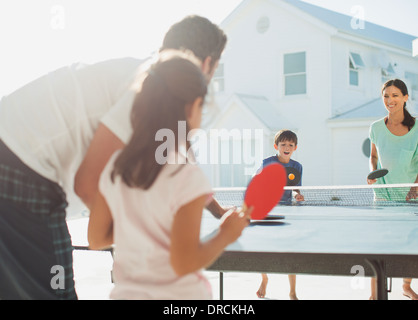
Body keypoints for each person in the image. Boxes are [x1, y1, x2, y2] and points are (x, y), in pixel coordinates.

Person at [0, 15, 228, 300]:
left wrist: (218, 211)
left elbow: (180, 165)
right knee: (56, 292)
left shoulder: (154, 85)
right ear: (206, 64)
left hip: (17, 161)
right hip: (17, 166)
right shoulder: (145, 88)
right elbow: (88, 184)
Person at [87, 51, 252, 299]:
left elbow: (96, 239)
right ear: (192, 107)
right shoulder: (187, 178)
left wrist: (140, 227)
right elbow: (184, 263)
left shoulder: (114, 168)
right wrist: (227, 234)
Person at [368, 78, 418, 300]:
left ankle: (406, 286)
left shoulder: (417, 127)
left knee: (412, 246)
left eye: (395, 95)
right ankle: (374, 294)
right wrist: (372, 174)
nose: (390, 100)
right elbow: (374, 156)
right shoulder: (376, 127)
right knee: (378, 247)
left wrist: (415, 187)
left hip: (411, 196)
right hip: (383, 196)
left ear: (406, 98)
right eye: (386, 96)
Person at [256, 129, 304, 300]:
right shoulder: (267, 163)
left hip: (286, 210)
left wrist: (298, 195)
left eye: (290, 145)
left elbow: (296, 187)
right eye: (283, 144)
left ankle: (292, 291)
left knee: (291, 250)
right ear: (276, 146)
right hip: (267, 210)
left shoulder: (297, 167)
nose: (287, 147)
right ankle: (264, 278)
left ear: (295, 148)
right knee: (263, 249)